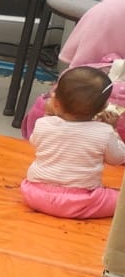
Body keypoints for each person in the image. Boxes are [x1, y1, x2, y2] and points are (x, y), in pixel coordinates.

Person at [22, 66, 125, 220]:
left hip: (33, 194)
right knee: (120, 200)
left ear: (55, 102)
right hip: (81, 202)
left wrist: (48, 115)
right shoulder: (104, 132)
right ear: (104, 107)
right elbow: (117, 158)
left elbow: (35, 142)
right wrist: (113, 129)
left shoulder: (43, 123)